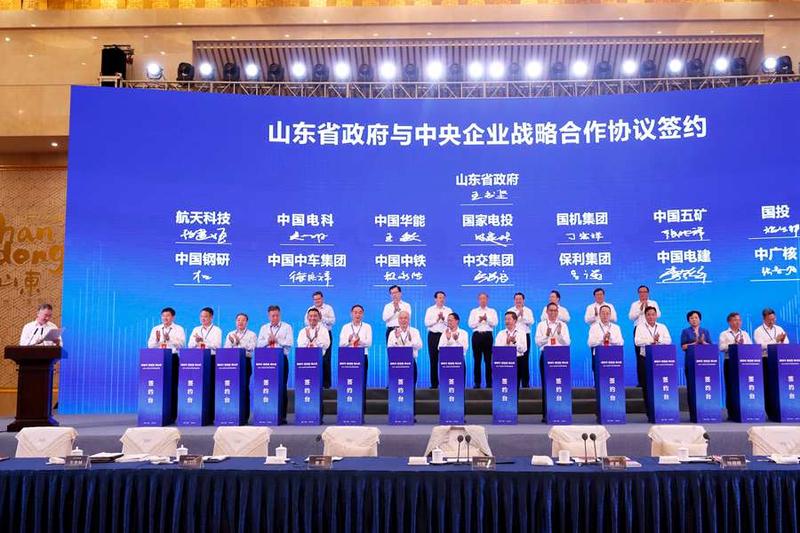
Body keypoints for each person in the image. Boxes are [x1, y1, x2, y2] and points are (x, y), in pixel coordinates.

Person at [256, 305, 294, 425]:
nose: (275, 318)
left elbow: (289, 343)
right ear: (269, 316)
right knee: (267, 385)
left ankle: (282, 416)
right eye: (273, 316)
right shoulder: (264, 328)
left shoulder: (287, 327)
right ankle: (267, 414)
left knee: (282, 387)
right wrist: (268, 341)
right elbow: (258, 344)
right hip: (266, 360)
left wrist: (277, 340)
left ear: (280, 315)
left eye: (277, 315)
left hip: (281, 358)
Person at [634, 306, 671, 420]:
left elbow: (668, 340)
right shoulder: (639, 327)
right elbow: (637, 341)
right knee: (647, 386)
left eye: (653, 314)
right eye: (648, 314)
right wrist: (651, 341)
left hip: (660, 360)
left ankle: (662, 410)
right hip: (646, 359)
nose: (651, 317)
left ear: (656, 315)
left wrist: (658, 340)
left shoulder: (662, 327)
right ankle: (650, 412)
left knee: (660, 384)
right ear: (645, 316)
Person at [535, 302, 571, 420]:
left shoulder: (563, 325)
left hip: (560, 357)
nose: (553, 313)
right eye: (551, 310)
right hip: (546, 355)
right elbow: (538, 343)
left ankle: (561, 412)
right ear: (546, 312)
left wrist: (559, 334)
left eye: (555, 310)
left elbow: (567, 343)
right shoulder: (541, 325)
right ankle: (547, 414)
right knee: (546, 384)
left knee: (560, 383)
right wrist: (546, 336)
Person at [719, 312, 753, 412]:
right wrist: (734, 344)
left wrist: (743, 345)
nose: (738, 322)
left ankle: (744, 409)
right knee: (730, 386)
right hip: (730, 362)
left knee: (744, 385)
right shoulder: (724, 334)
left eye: (739, 320)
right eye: (735, 320)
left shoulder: (745, 334)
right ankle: (731, 411)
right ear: (729, 322)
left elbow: (751, 347)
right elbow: (721, 347)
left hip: (744, 363)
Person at [304, 291, 336, 388]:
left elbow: (333, 321)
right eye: (315, 299)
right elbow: (306, 322)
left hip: (325, 335)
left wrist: (321, 318)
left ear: (322, 298)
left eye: (318, 299)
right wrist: (313, 319)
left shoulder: (328, 308)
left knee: (326, 359)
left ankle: (326, 384)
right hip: (312, 335)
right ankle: (314, 382)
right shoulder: (310, 309)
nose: (317, 301)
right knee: (312, 359)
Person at [467, 292, 498, 388]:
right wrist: (479, 320)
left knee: (488, 360)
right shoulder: (474, 311)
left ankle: (489, 383)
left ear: (487, 300)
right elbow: (470, 325)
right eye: (481, 298)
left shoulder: (492, 311)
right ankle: (477, 383)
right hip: (477, 336)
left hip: (488, 336)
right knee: (477, 360)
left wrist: (486, 319)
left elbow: (495, 323)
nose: (483, 300)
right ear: (478, 300)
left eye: (484, 298)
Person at [424, 291, 452, 389]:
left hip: (445, 336)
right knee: (433, 360)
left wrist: (443, 319)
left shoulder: (448, 310)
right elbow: (426, 323)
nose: (441, 299)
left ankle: (446, 383)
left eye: (443, 297)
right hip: (433, 336)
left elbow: (451, 323)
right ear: (435, 299)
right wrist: (437, 319)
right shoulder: (430, 310)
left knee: (446, 361)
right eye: (439, 297)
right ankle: (434, 384)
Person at [387, 310, 423, 384]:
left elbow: (420, 345)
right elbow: (389, 348)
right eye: (401, 318)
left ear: (409, 319)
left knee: (411, 386)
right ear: (398, 320)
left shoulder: (414, 331)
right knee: (397, 385)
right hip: (396, 363)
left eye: (405, 318)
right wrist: (397, 339)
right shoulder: (393, 333)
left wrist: (411, 342)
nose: (403, 320)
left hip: (411, 362)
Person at [507, 292, 534, 388]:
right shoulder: (510, 310)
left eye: (520, 299)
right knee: (512, 360)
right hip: (513, 336)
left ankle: (525, 383)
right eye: (516, 299)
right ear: (514, 300)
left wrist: (523, 316)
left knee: (525, 359)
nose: (518, 301)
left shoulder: (528, 310)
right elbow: (508, 322)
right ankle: (513, 383)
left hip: (525, 336)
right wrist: (517, 315)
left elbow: (531, 322)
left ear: (523, 300)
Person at [587, 304, 624, 372]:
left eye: (607, 313)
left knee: (613, 376)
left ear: (610, 315)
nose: (605, 315)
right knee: (599, 376)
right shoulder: (593, 327)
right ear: (599, 315)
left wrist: (610, 339)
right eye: (603, 313)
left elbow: (621, 342)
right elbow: (590, 343)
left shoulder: (616, 327)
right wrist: (602, 339)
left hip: (613, 357)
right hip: (598, 356)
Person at [338, 303, 373, 373]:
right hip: (348, 355)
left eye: (360, 313)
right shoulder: (345, 327)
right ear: (351, 314)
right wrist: (349, 341)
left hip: (362, 355)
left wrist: (359, 341)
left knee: (362, 377)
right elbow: (341, 344)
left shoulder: (367, 327)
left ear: (363, 314)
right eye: (355, 312)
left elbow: (369, 343)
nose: (358, 315)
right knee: (349, 377)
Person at [495, 311, 528, 379]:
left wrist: (515, 342)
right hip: (504, 361)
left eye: (509, 319)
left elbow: (524, 349)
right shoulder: (500, 333)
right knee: (505, 381)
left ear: (515, 320)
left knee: (516, 381)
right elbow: (497, 349)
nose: (506, 321)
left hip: (518, 359)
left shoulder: (522, 333)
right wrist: (506, 343)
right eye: (505, 319)